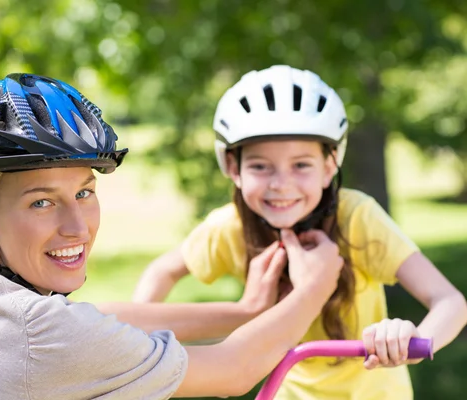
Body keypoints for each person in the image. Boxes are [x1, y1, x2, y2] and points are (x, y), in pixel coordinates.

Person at [0, 73, 345, 400]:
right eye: (41, 201)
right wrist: (316, 284)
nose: (77, 226)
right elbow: (235, 369)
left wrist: (245, 310)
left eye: (85, 192)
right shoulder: (45, 337)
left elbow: (94, 322)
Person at [132, 65, 467, 399]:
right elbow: (163, 270)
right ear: (234, 168)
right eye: (260, 166)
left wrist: (410, 337)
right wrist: (132, 350)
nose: (281, 184)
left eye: (301, 165)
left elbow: (450, 301)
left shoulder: (356, 218)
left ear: (329, 166)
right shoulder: (231, 226)